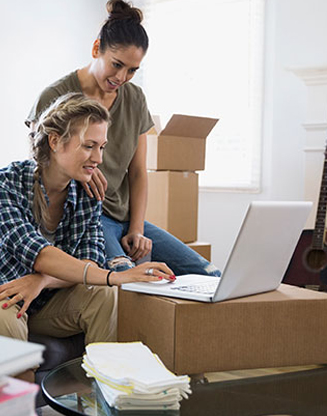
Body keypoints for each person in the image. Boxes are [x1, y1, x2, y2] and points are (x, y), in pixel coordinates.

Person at [0, 93, 173, 381]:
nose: (98, 159)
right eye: (89, 146)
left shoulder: (87, 193)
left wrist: (41, 282)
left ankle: (105, 393)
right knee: (4, 310)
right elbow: (38, 254)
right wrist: (116, 276)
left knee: (103, 294)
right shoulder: (4, 183)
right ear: (54, 141)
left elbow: (88, 262)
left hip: (39, 302)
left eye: (101, 147)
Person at [26, 0, 221, 277]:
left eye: (132, 70)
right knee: (130, 280)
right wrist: (80, 174)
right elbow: (38, 161)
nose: (122, 77)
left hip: (125, 217)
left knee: (212, 275)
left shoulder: (135, 99)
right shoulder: (55, 96)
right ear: (96, 50)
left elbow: (138, 172)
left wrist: (137, 228)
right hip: (87, 217)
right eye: (116, 65)